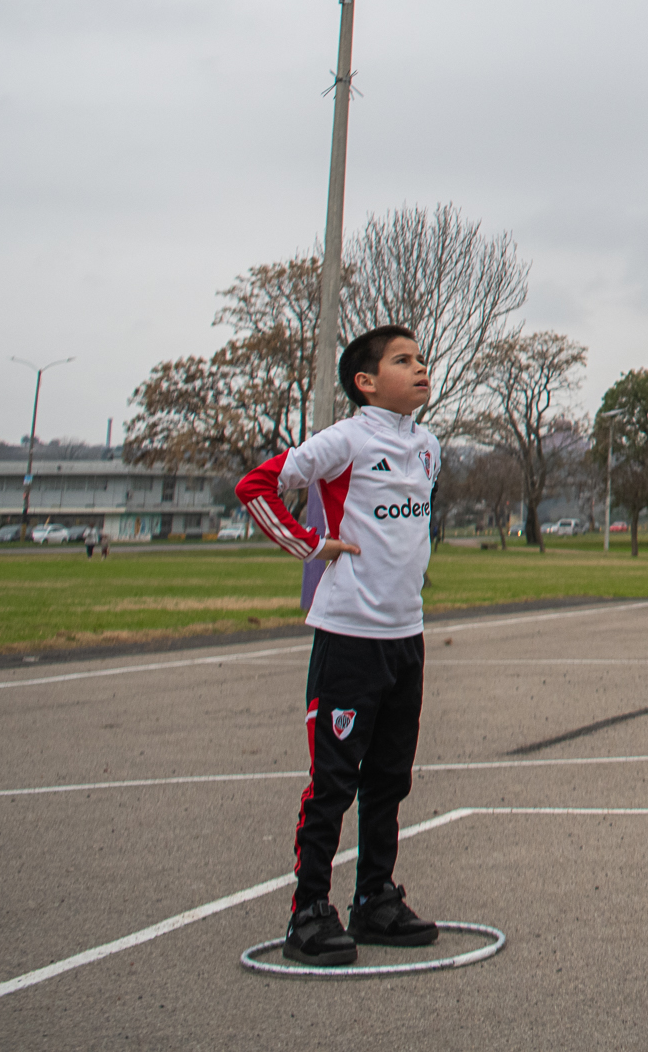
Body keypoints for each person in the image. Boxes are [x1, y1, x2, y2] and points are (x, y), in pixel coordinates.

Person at [236, 326, 448, 969]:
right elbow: (257, 486)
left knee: (389, 778)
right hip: (348, 637)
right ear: (365, 381)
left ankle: (376, 900)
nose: (420, 368)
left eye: (420, 359)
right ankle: (309, 912)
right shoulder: (346, 439)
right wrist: (308, 542)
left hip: (404, 639)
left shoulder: (430, 447)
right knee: (334, 781)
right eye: (402, 361)